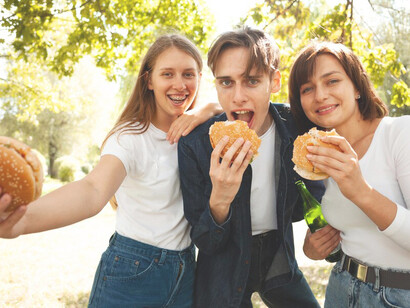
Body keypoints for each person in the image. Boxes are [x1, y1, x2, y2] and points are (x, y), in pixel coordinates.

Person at [0, 34, 223, 307]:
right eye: (167, 74)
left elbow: (234, 106)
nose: (179, 84)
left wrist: (207, 109)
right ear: (149, 80)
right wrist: (21, 222)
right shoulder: (130, 137)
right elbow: (92, 190)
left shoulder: (202, 131)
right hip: (134, 270)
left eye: (188, 74)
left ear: (200, 77)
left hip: (186, 269)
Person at [178, 26, 324, 308]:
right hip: (222, 266)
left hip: (279, 259)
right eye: (226, 82)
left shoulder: (297, 129)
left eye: (252, 81)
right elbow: (205, 241)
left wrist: (320, 235)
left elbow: (314, 199)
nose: (237, 97)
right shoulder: (196, 144)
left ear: (275, 82)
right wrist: (220, 197)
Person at [288, 41, 410, 308]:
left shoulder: (400, 134)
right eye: (307, 89)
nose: (320, 95)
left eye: (331, 81)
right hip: (342, 287)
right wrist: (315, 247)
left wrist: (360, 191)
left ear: (357, 87)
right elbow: (353, 236)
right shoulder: (321, 153)